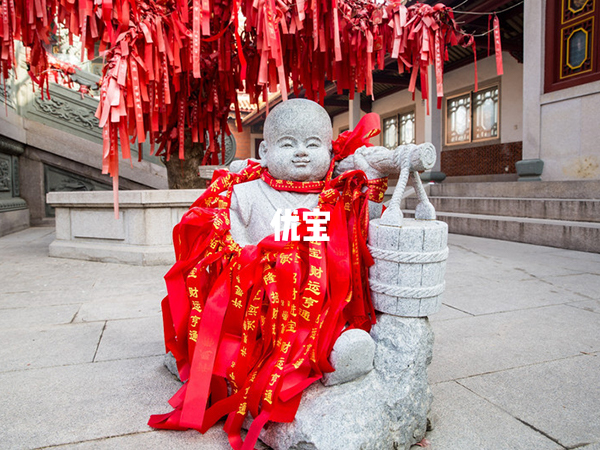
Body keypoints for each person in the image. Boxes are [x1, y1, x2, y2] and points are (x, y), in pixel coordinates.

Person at [149, 99, 390, 450]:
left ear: (330, 149)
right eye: (288, 144)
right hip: (263, 304)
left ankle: (335, 352)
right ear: (264, 149)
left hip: (320, 307)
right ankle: (290, 367)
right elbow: (228, 240)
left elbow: (367, 224)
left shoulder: (337, 197)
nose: (301, 154)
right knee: (250, 343)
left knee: (333, 332)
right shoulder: (245, 195)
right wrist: (258, 264)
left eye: (313, 145)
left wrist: (373, 182)